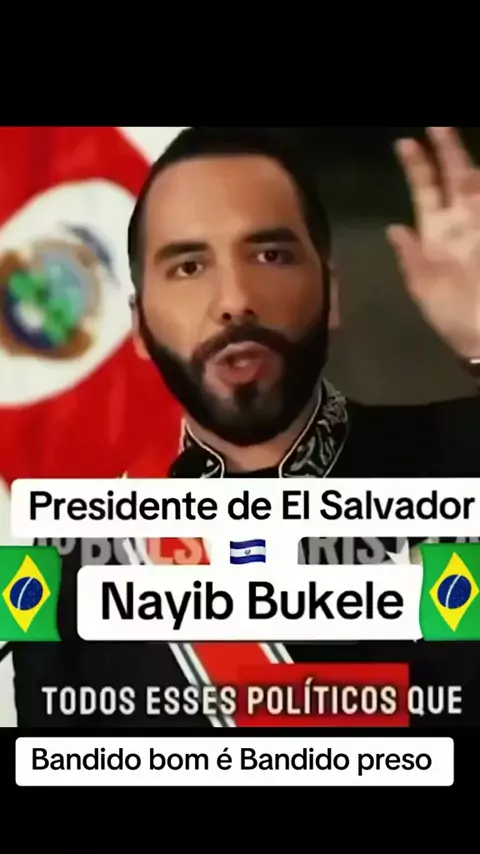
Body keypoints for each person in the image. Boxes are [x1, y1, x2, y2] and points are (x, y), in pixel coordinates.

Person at [13, 125, 480, 727]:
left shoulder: (457, 460)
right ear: (139, 326)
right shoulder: (55, 565)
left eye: (270, 255)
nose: (234, 299)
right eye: (188, 266)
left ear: (331, 294)